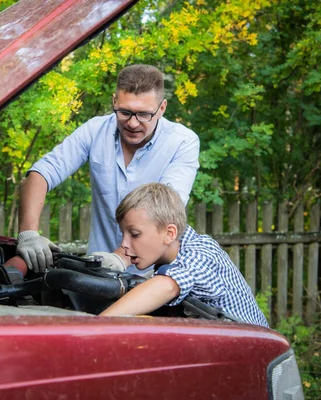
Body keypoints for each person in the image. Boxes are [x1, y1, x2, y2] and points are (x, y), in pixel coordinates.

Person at [16, 64, 200, 273]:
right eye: (124, 112)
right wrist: (28, 234)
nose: (132, 123)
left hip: (154, 277)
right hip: (98, 270)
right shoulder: (95, 130)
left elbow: (166, 208)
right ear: (114, 102)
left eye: (143, 115)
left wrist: (121, 258)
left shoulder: (183, 142)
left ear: (162, 108)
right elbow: (42, 172)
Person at [99, 183, 269, 327]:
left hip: (257, 351)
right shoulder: (169, 258)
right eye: (124, 234)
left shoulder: (202, 254)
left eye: (135, 234)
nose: (124, 244)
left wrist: (96, 325)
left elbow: (168, 286)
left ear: (169, 233)